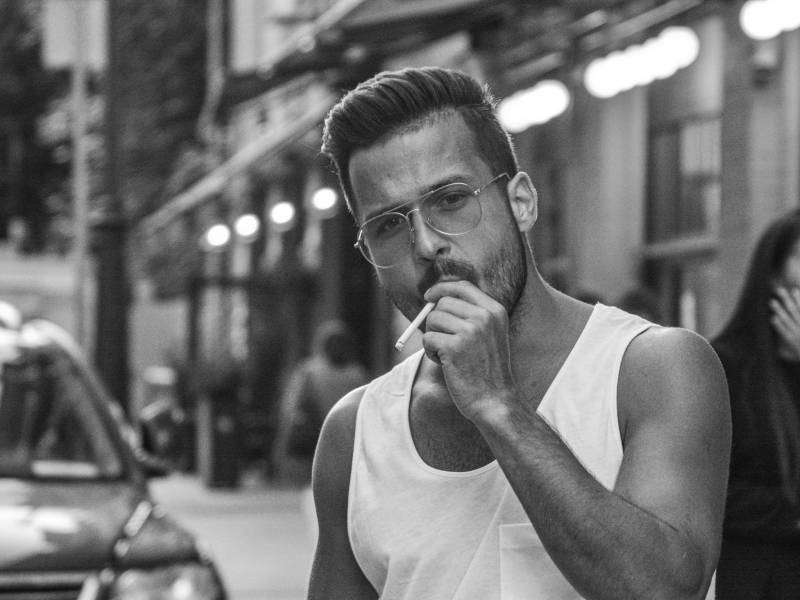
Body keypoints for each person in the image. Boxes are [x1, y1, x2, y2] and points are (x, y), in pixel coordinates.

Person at [308, 66, 730, 599]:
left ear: (522, 202)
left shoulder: (653, 369)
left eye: (450, 199)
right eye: (389, 224)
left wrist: (499, 405)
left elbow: (664, 589)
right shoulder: (356, 433)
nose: (426, 244)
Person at [711, 209, 800, 599]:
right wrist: (791, 514)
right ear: (775, 276)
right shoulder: (725, 366)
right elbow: (713, 490)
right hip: (752, 577)